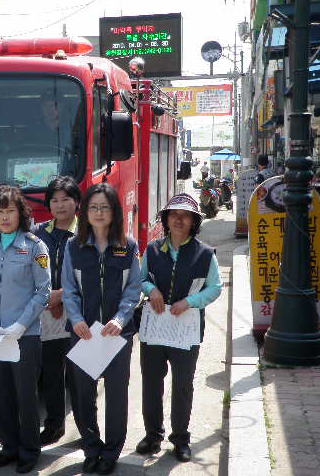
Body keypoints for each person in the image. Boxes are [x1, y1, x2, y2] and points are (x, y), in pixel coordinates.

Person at [135, 193, 222, 463]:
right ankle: (153, 435)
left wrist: (189, 302)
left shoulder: (205, 254)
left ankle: (181, 439)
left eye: (185, 216)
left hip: (187, 329)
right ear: (166, 219)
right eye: (174, 214)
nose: (179, 220)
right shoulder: (152, 250)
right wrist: (151, 290)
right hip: (155, 327)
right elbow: (140, 279)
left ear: (194, 222)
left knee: (183, 384)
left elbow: (215, 287)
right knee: (151, 382)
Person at [62, 182, 141, 475]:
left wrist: (120, 319)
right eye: (93, 207)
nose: (98, 212)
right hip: (84, 333)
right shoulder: (74, 246)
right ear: (85, 211)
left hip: (117, 334)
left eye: (104, 207)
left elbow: (133, 289)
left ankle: (111, 452)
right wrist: (76, 319)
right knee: (84, 395)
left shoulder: (128, 245)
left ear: (114, 211)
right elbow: (69, 289)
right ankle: (91, 447)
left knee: (117, 396)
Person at [0, 186, 51, 474]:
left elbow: (43, 291)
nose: (5, 217)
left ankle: (29, 449)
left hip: (23, 335)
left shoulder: (35, 246)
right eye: (0, 211)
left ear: (20, 214)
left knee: (25, 394)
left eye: (10, 211)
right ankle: (8, 446)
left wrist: (22, 324)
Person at [32, 176, 80, 446]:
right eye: (54, 200)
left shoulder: (86, 232)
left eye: (66, 199)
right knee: (51, 372)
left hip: (78, 315)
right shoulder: (38, 233)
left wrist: (61, 296)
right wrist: (49, 299)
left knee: (80, 374)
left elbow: (93, 275)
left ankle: (87, 428)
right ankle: (54, 425)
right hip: (47, 313)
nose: (60, 205)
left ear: (77, 202)